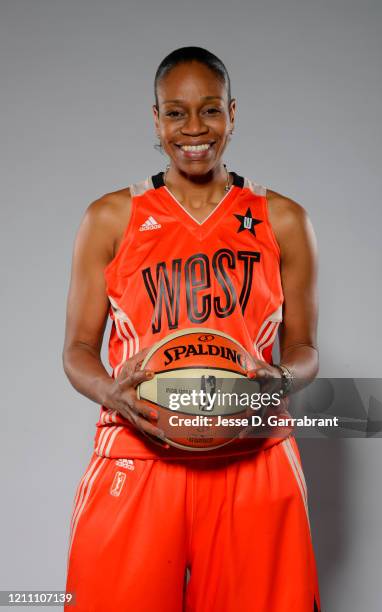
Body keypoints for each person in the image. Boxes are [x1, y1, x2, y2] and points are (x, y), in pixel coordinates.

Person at [63, 46, 321, 612]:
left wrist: (278, 376)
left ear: (232, 113)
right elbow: (78, 350)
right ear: (156, 119)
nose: (194, 129)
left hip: (253, 458)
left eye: (209, 110)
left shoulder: (282, 219)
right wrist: (109, 390)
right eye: (175, 113)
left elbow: (304, 349)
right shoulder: (113, 216)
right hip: (138, 454)